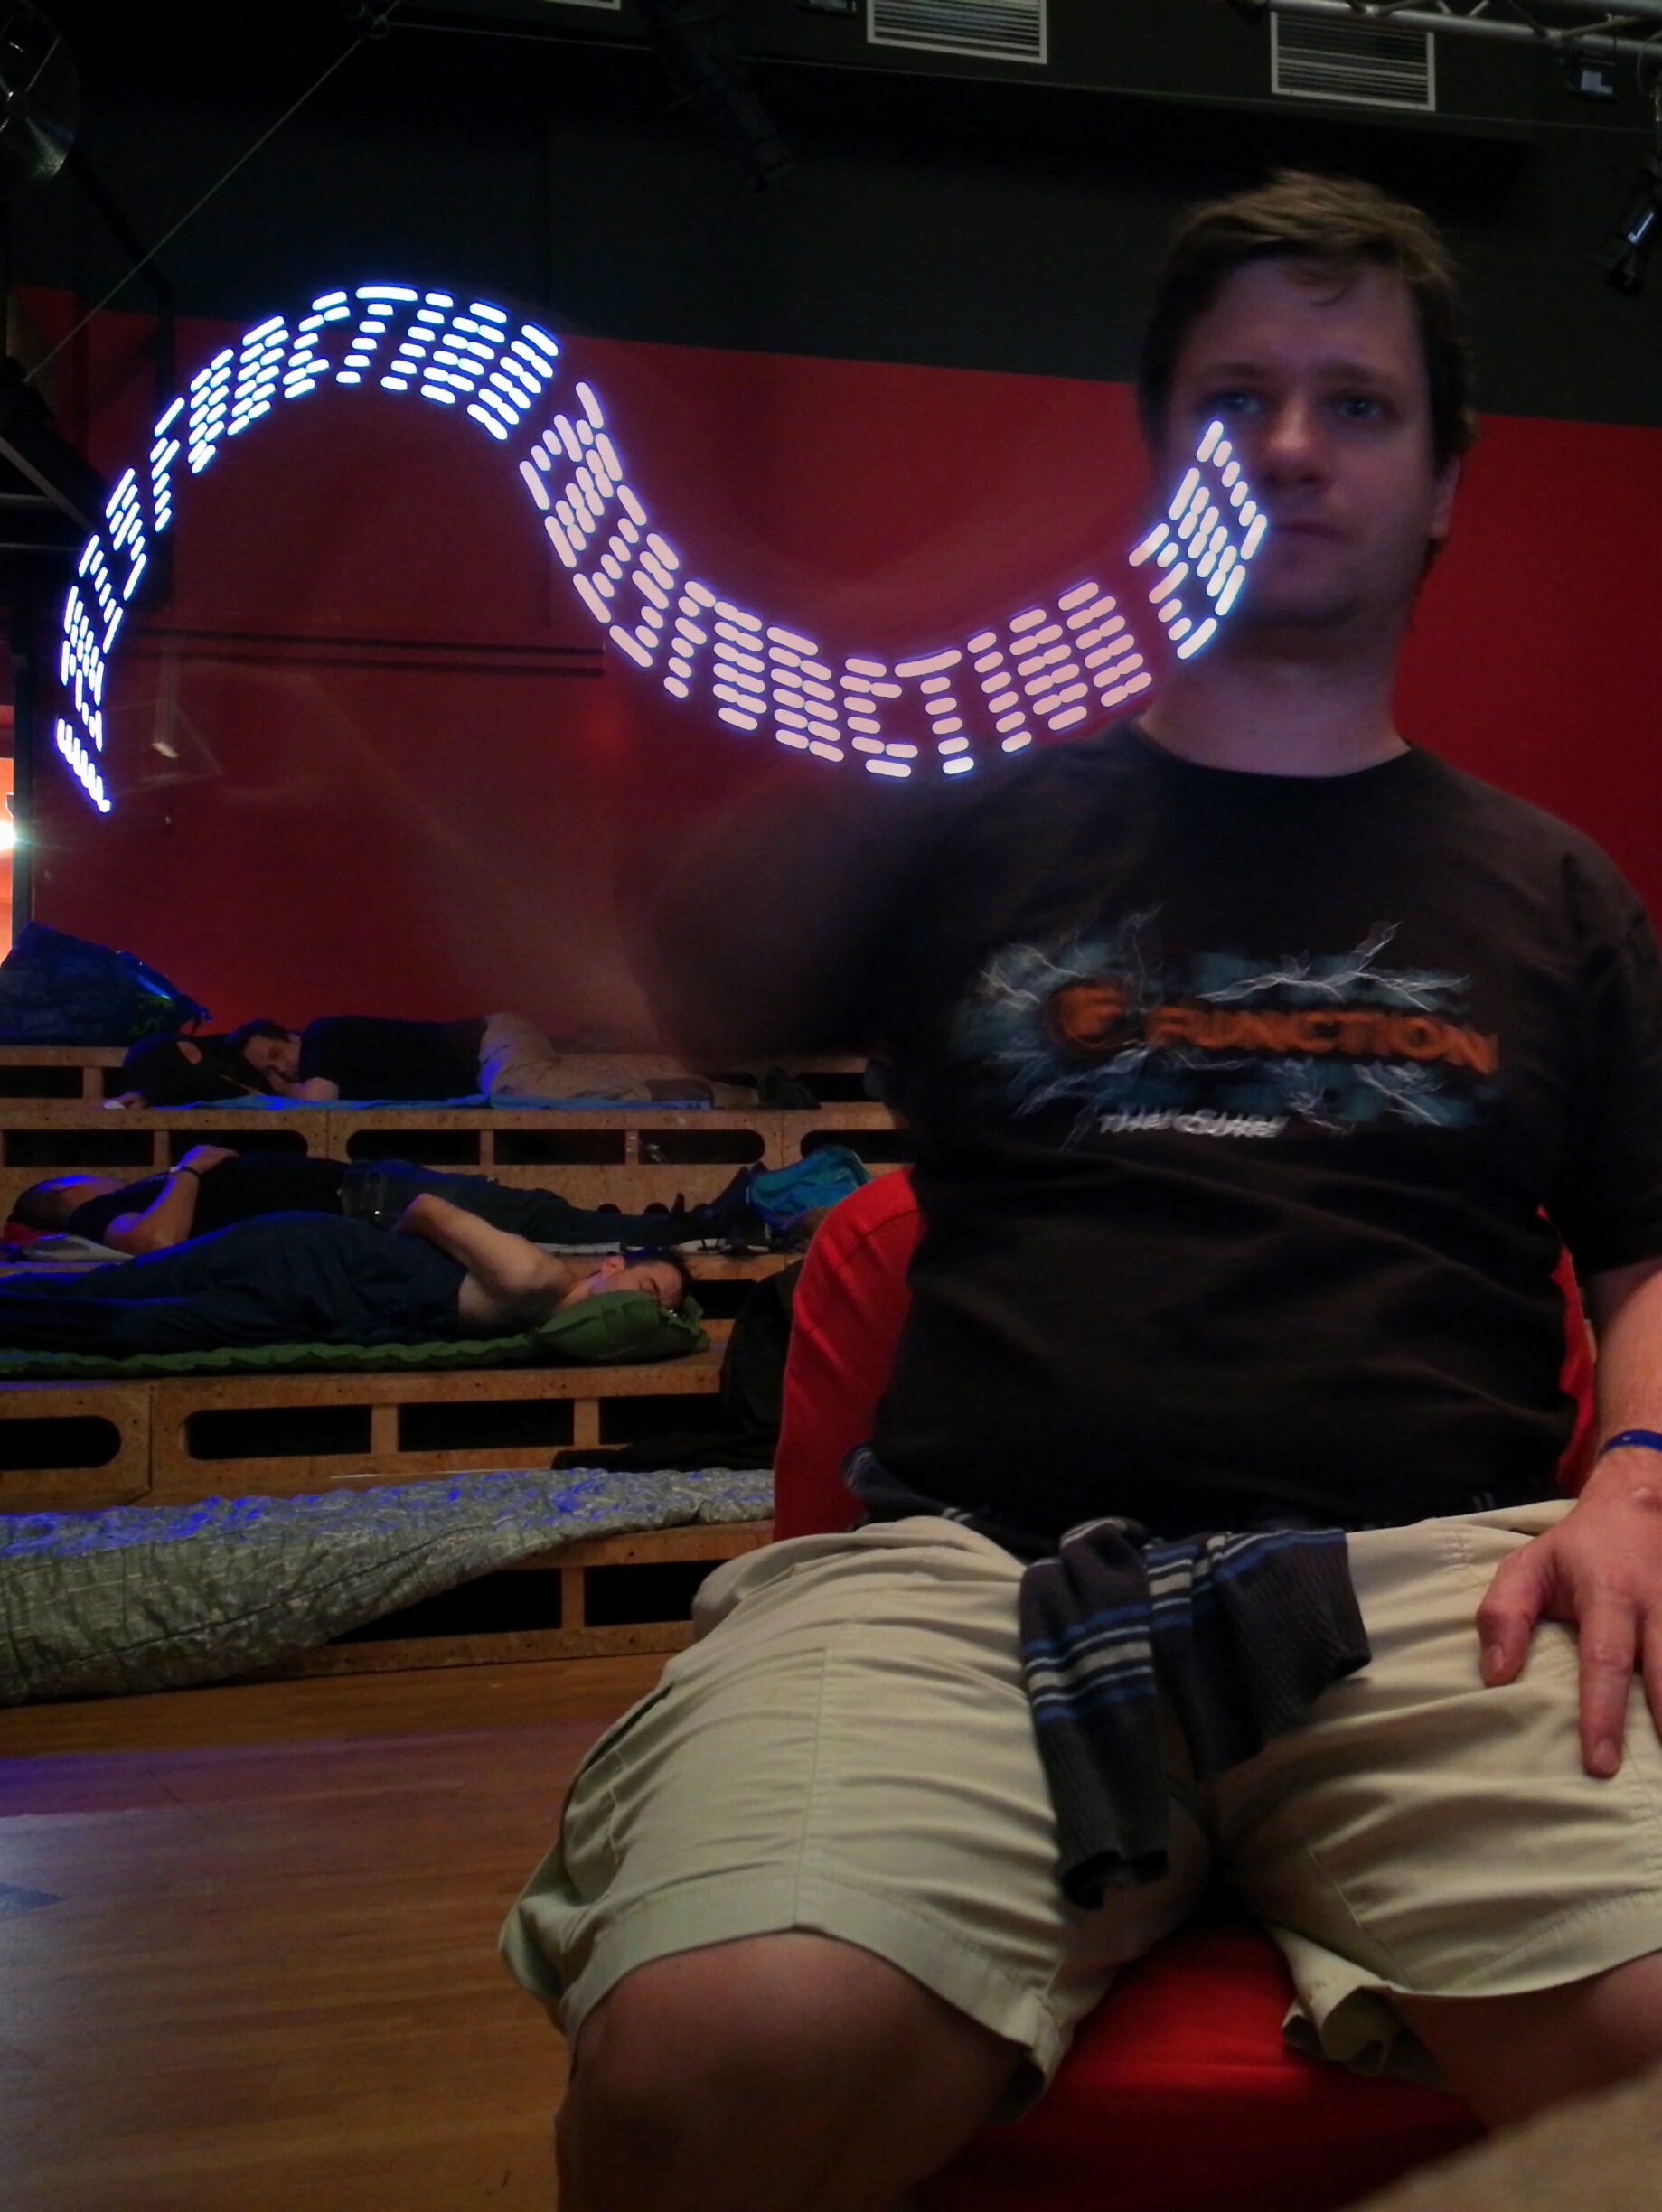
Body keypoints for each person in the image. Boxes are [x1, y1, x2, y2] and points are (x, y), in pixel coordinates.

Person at [500, 172, 1662, 2210]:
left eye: (1354, 404)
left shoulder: (1553, 888)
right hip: (971, 1584)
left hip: (1432, 1596)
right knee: (711, 2066)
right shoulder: (963, 828)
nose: (1287, 447)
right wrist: (929, 706)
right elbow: (702, 982)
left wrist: (1637, 1480)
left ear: (1441, 485)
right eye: (1230, 403)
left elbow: (1648, 1246)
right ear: (1157, 467)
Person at [0, 1191, 691, 1356]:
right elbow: (424, 1208)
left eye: (660, 1308)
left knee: (136, 1329)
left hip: (311, 1308)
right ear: (611, 1265)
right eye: (646, 1290)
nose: (648, 1311)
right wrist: (380, 1263)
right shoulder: (533, 1275)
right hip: (301, 1256)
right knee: (112, 1288)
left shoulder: (554, 1320)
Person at [7, 1149, 744, 1258]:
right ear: (60, 1195)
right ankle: (701, 1229)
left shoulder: (124, 1199)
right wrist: (190, 1168)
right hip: (366, 1207)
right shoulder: (93, 1214)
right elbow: (157, 1243)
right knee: (535, 1223)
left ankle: (686, 1222)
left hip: (367, 1188)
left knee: (534, 1210)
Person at [218, 1013, 751, 1107]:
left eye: (276, 1054)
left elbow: (316, 1105)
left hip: (491, 1041)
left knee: (518, 1091)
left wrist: (274, 1089)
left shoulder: (322, 1037)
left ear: (289, 1034)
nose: (281, 1069)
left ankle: (689, 1093)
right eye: (268, 1071)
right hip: (492, 1055)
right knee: (558, 1087)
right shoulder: (320, 1056)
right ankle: (713, 1088)